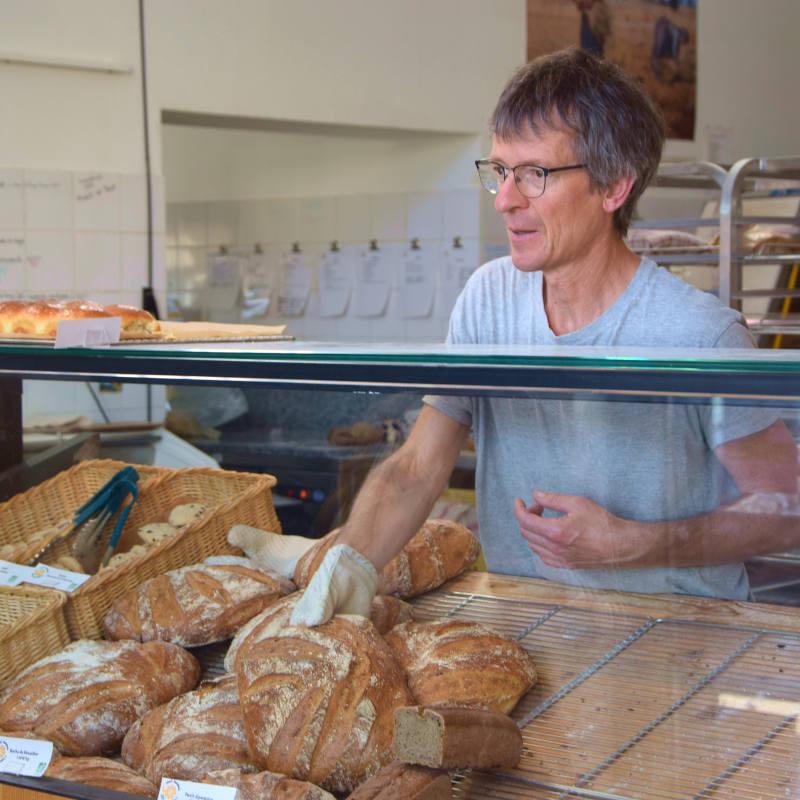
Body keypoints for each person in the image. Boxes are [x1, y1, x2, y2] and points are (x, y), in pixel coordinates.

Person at [236, 47, 797, 626]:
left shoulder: (697, 334)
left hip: (676, 643)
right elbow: (417, 468)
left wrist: (629, 543)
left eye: (535, 175)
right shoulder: (488, 299)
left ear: (614, 188)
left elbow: (787, 510)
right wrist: (352, 562)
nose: (506, 200)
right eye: (500, 172)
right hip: (528, 627)